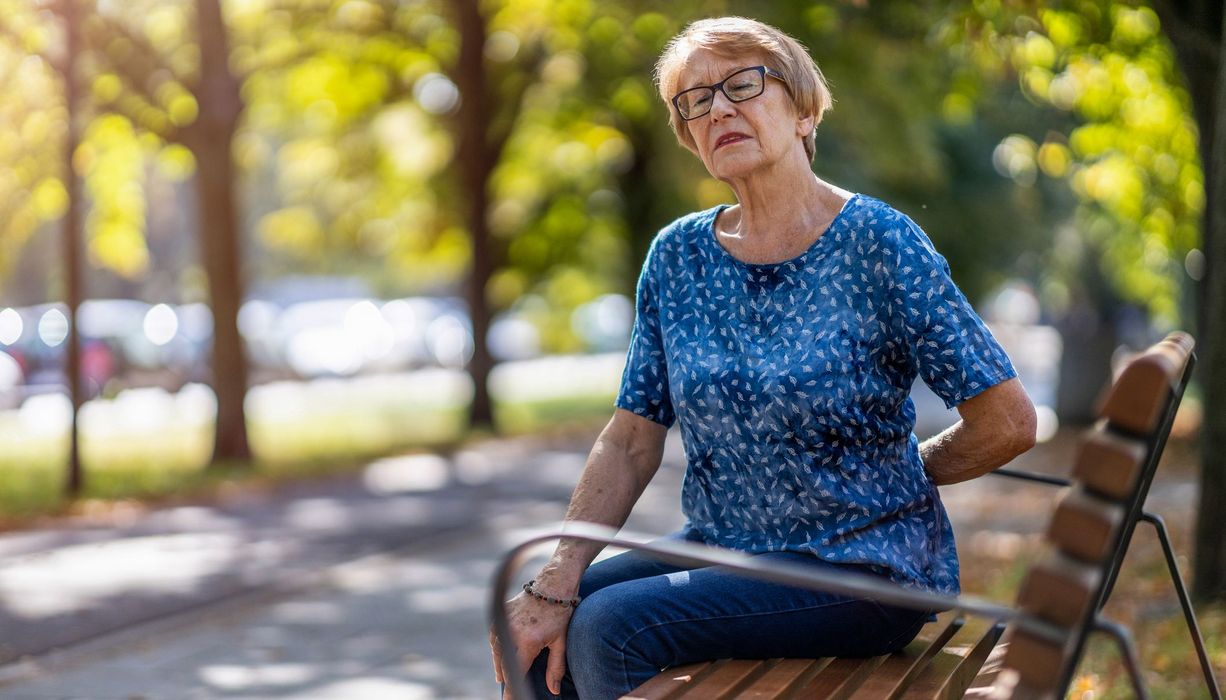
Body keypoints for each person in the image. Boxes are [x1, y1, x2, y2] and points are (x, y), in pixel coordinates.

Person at [489, 15, 1037, 700]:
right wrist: (558, 573)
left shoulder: (879, 243)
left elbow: (1007, 421)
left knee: (610, 626)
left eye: (742, 85)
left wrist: (898, 480)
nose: (718, 107)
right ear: (690, 137)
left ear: (805, 112)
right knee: (545, 620)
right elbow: (631, 439)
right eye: (695, 100)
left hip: (861, 569)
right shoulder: (676, 257)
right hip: (727, 549)